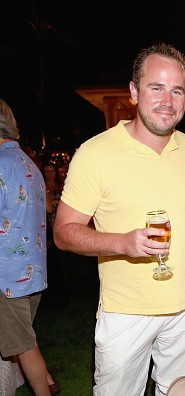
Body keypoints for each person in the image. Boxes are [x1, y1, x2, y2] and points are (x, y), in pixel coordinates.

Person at [53, 43, 185, 396]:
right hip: (125, 313)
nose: (167, 100)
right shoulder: (95, 153)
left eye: (177, 90)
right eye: (156, 87)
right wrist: (123, 243)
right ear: (134, 91)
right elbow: (63, 233)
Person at [0, 98, 61, 396]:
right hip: (32, 271)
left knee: (22, 345)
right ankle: (48, 380)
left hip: (7, 276)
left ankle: (44, 391)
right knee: (25, 338)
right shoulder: (28, 164)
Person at [40, 161, 70, 308]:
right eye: (47, 171)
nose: (49, 174)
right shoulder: (41, 185)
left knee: (61, 254)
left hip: (59, 222)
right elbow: (49, 207)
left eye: (52, 171)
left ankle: (65, 280)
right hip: (46, 224)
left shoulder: (61, 186)